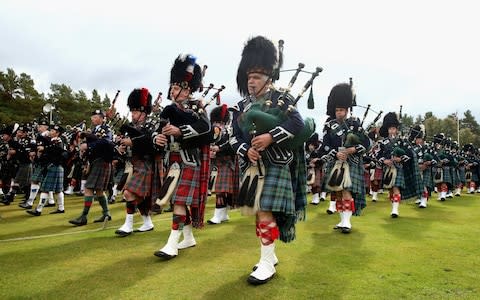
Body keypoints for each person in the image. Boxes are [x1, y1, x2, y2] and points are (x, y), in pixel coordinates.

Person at [229, 36, 308, 285]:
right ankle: (269, 256)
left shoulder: (281, 99)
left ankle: (265, 263)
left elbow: (298, 124)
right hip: (252, 167)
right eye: (249, 76)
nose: (251, 81)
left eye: (257, 76)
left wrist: (269, 137)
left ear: (269, 77)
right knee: (258, 212)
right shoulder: (241, 106)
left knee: (264, 211)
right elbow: (233, 137)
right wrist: (245, 150)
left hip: (276, 164)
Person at [153, 54, 212, 259]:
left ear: (187, 89)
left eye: (176, 88)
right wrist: (157, 139)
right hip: (172, 161)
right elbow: (157, 129)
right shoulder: (168, 110)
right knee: (177, 201)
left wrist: (180, 131)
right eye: (172, 88)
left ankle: (172, 244)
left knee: (178, 200)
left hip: (189, 160)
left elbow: (206, 128)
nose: (172, 91)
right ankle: (188, 238)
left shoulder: (196, 107)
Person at [320, 83, 370, 233]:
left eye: (342, 110)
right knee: (339, 192)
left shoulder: (355, 123)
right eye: (337, 110)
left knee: (347, 191)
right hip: (336, 162)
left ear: (347, 110)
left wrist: (352, 149)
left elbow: (366, 143)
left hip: (351, 162)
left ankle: (347, 222)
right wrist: (335, 153)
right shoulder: (329, 125)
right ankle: (342, 221)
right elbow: (325, 145)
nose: (339, 113)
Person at [114, 88, 156, 236]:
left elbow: (150, 142)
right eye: (132, 112)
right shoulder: (130, 127)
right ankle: (147, 222)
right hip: (131, 165)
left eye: (135, 112)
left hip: (146, 164)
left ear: (143, 112)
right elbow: (126, 145)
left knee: (129, 193)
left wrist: (132, 142)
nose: (132, 114)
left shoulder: (152, 126)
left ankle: (128, 225)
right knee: (140, 197)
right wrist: (121, 147)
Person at [68, 110, 113, 226]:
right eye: (92, 116)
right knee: (99, 191)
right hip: (94, 161)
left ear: (102, 118)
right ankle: (106, 213)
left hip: (102, 161)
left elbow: (106, 142)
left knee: (88, 188)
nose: (92, 118)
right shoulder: (94, 130)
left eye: (95, 116)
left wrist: (88, 145)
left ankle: (83, 217)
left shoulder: (106, 129)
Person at [375, 112, 423, 217]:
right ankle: (393, 207)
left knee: (396, 187)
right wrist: (384, 161)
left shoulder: (403, 142)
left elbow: (410, 153)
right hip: (387, 169)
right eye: (390, 128)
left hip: (399, 168)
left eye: (394, 128)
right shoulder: (382, 143)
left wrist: (400, 158)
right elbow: (377, 155)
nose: (392, 130)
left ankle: (395, 210)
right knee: (391, 190)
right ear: (387, 130)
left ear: (397, 130)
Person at [207, 104, 238, 224]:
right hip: (217, 163)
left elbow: (232, 145)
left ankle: (218, 215)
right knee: (220, 190)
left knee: (220, 190)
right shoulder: (216, 128)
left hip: (226, 162)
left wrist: (219, 149)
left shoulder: (228, 130)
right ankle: (223, 214)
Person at [27, 124, 66, 215]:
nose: (50, 132)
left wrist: (44, 149)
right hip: (56, 167)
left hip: (54, 166)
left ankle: (39, 210)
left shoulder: (57, 141)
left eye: (53, 131)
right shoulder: (53, 141)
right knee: (58, 190)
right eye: (51, 130)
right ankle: (61, 208)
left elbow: (57, 151)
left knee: (45, 189)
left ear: (58, 133)